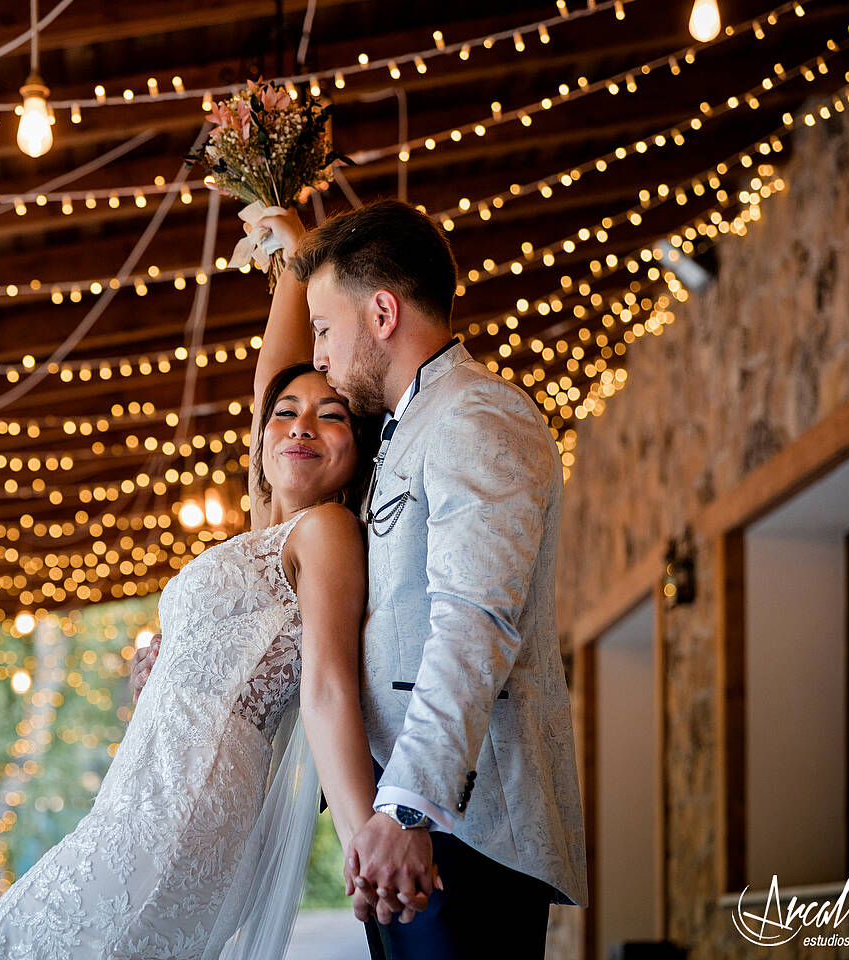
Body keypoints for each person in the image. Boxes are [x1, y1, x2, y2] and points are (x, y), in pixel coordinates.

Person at [137, 199, 589, 959]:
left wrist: (412, 809)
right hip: (399, 823)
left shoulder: (477, 415)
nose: (317, 356)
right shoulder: (401, 428)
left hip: (456, 827)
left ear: (382, 312)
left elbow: (475, 624)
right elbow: (276, 422)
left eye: (324, 328)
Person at [0, 213, 383, 960]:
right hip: (135, 804)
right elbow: (271, 379)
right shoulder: (261, 530)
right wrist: (173, 665)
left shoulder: (325, 532)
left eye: (331, 417)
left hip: (180, 817)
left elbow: (328, 687)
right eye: (286, 414)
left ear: (355, 453)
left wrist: (362, 833)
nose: (301, 425)